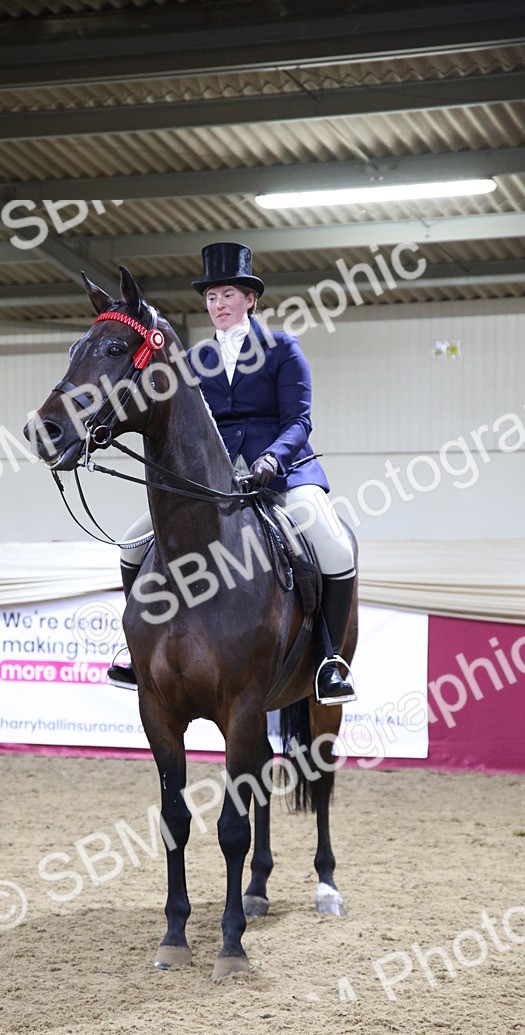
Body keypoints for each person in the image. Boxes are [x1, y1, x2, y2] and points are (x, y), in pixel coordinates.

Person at [108, 242, 357, 704]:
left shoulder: (282, 348)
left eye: (227, 295)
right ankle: (137, 649)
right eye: (211, 297)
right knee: (132, 545)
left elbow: (299, 420)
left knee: (335, 547)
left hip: (282, 474)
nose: (218, 305)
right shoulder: (195, 361)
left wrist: (272, 459)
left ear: (250, 299)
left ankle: (330, 660)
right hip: (214, 480)